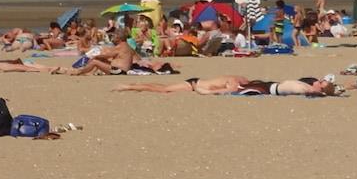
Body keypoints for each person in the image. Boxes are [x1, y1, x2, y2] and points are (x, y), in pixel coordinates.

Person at [112, 75, 250, 94]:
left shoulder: (238, 78)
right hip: (193, 84)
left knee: (164, 87)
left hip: (196, 82)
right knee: (164, 90)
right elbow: (225, 90)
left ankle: (138, 84)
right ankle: (128, 87)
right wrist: (204, 91)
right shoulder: (236, 82)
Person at [236, 78, 340, 97]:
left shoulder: (307, 89)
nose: (318, 80)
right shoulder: (308, 87)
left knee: (239, 89)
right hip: (271, 86)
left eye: (320, 82)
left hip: (267, 89)